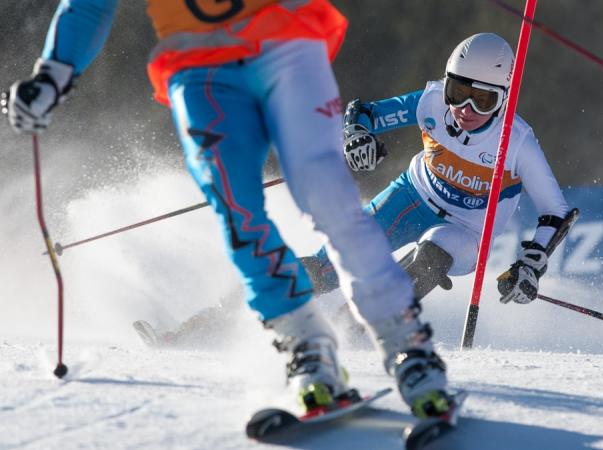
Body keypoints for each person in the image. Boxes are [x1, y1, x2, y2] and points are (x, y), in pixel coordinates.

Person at [2, 0, 451, 419]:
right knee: (238, 217)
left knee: (328, 198)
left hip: (285, 46)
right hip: (199, 70)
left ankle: (407, 347)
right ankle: (307, 349)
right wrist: (52, 74)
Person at [303, 32, 570, 306]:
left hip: (467, 230)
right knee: (326, 265)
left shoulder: (517, 142)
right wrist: (356, 137)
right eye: (458, 92)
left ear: (504, 99)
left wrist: (531, 263)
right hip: (412, 196)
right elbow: (364, 115)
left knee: (432, 256)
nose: (466, 109)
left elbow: (555, 212)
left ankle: (365, 328)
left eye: (483, 100)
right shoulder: (432, 102)